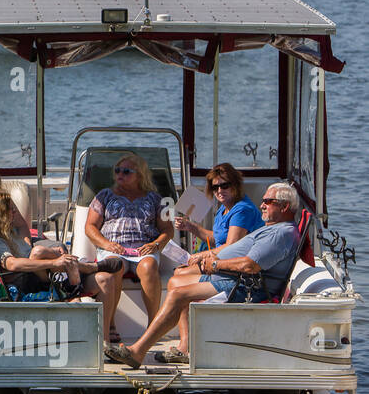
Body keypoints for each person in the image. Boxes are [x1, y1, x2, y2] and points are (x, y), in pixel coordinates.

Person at [106, 184, 301, 368]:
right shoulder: (275, 229)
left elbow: (249, 265)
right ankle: (185, 347)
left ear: (284, 206)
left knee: (178, 295)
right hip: (233, 278)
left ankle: (137, 351)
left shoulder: (280, 234)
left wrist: (216, 264)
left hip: (244, 286)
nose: (262, 205)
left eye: (268, 201)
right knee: (176, 282)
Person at [85, 153, 174, 342]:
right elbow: (90, 227)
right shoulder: (104, 196)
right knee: (114, 268)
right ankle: (110, 325)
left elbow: (168, 230)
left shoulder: (155, 199)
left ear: (140, 174)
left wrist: (155, 244)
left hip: (144, 249)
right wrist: (107, 244)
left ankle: (153, 326)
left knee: (149, 267)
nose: (120, 174)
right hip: (113, 248)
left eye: (126, 171)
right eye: (117, 170)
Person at [0, 189, 122, 301]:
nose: (15, 211)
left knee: (106, 279)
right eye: (11, 209)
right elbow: (12, 265)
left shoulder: (11, 232)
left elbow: (25, 236)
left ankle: (109, 334)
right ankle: (86, 268)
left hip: (47, 274)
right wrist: (54, 261)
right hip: (32, 282)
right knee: (38, 252)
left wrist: (53, 253)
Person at [175, 163, 263, 251]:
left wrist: (201, 256)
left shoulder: (243, 210)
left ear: (235, 185)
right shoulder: (224, 208)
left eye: (224, 186)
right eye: (215, 187)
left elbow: (231, 248)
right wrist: (190, 227)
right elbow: (218, 239)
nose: (219, 191)